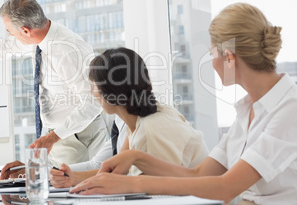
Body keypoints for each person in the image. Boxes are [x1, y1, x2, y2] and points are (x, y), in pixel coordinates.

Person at [70, 3, 297, 204]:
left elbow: (225, 187)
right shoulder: (248, 110)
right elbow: (200, 174)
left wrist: (133, 184)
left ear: (229, 58)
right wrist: (135, 157)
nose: (211, 64)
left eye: (212, 55)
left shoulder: (290, 108)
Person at [0, 0, 107, 168]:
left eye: (10, 32)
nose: (10, 36)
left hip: (77, 136)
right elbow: (6, 47)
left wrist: (53, 137)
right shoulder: (39, 37)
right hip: (57, 136)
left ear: (25, 31)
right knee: (52, 190)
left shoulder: (66, 50)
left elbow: (94, 102)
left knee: (72, 191)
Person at [50, 47, 208, 188]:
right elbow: (116, 174)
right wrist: (72, 178)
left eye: (94, 86)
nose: (92, 93)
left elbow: (162, 191)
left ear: (111, 93)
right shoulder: (138, 121)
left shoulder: (152, 128)